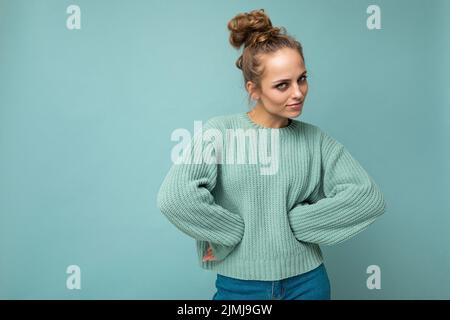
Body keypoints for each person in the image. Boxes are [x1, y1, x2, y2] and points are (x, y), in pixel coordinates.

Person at [156, 8, 386, 300]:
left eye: (302, 79)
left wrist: (297, 223)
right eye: (282, 85)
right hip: (240, 287)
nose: (298, 93)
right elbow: (175, 197)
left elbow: (367, 197)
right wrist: (232, 232)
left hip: (308, 284)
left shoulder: (316, 140)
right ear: (254, 89)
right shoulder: (220, 132)